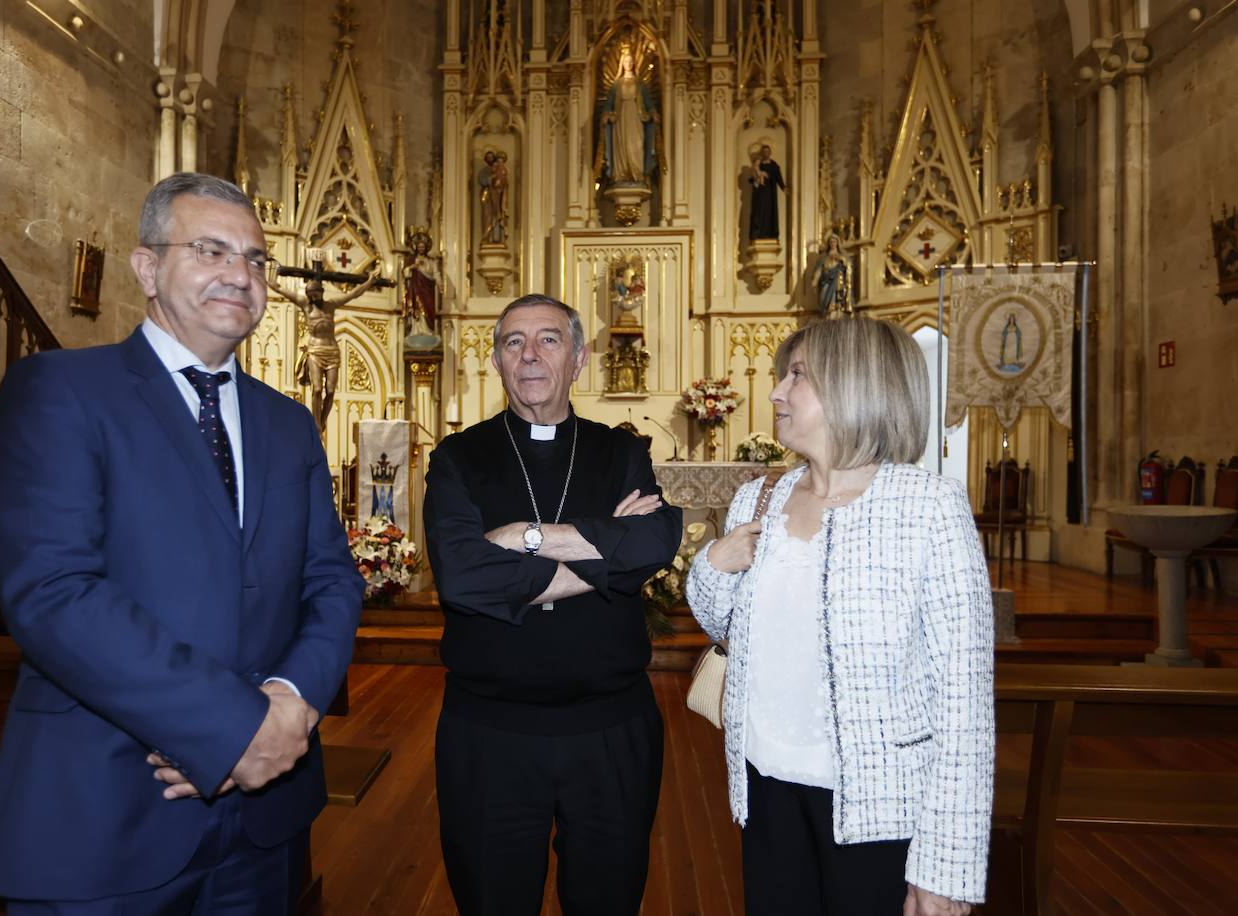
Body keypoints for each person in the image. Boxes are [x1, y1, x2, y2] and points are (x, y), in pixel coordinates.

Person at [0, 172, 366, 914]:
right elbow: (54, 593)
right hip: (109, 812)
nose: (239, 275)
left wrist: (289, 703)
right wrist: (233, 728)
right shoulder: (59, 391)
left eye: (255, 260)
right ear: (147, 266)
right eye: (211, 250)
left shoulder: (287, 423)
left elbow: (333, 581)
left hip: (264, 821)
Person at [685, 316, 993, 916]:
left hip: (878, 807)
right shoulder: (760, 497)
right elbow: (717, 623)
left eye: (797, 376)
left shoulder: (928, 508)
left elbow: (966, 704)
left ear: (857, 386)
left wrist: (946, 868)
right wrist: (715, 565)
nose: (776, 391)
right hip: (764, 787)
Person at [423, 294, 683, 915]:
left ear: (579, 359)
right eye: (514, 342)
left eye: (548, 340)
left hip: (610, 728)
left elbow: (652, 540)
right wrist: (606, 559)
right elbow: (460, 575)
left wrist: (523, 539)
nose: (531, 356)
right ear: (495, 361)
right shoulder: (459, 457)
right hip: (489, 733)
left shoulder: (620, 452)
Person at [267, 265, 379, 434]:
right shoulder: (306, 305)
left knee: (331, 390)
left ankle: (322, 421)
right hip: (315, 350)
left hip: (332, 351)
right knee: (317, 389)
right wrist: (272, 278)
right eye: (310, 294)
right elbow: (279, 289)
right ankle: (316, 423)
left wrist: (370, 281)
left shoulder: (331, 305)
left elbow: (353, 294)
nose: (312, 297)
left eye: (315, 294)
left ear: (321, 292)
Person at [597, 46, 659, 186]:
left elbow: (648, 102)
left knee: (636, 145)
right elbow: (609, 104)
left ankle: (637, 174)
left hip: (636, 118)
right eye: (626, 61)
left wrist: (653, 112)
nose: (629, 64)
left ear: (634, 64)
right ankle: (621, 174)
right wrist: (605, 115)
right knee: (622, 147)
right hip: (620, 119)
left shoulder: (639, 84)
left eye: (631, 61)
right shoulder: (616, 85)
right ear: (622, 64)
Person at [747, 144, 786, 240]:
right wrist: (755, 178)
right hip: (760, 194)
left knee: (769, 213)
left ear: (770, 153)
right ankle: (758, 233)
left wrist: (783, 187)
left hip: (770, 195)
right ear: (762, 153)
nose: (766, 153)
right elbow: (752, 178)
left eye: (768, 152)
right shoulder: (758, 165)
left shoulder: (774, 165)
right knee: (759, 213)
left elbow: (778, 178)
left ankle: (769, 234)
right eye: (764, 152)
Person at [811, 233, 851, 316]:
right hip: (825, 280)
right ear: (828, 244)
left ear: (837, 243)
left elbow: (847, 268)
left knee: (835, 301)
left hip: (836, 281)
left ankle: (833, 311)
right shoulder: (824, 257)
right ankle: (825, 312)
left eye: (834, 242)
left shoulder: (841, 256)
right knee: (822, 298)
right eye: (831, 242)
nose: (833, 243)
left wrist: (842, 261)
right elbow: (819, 270)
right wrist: (814, 282)